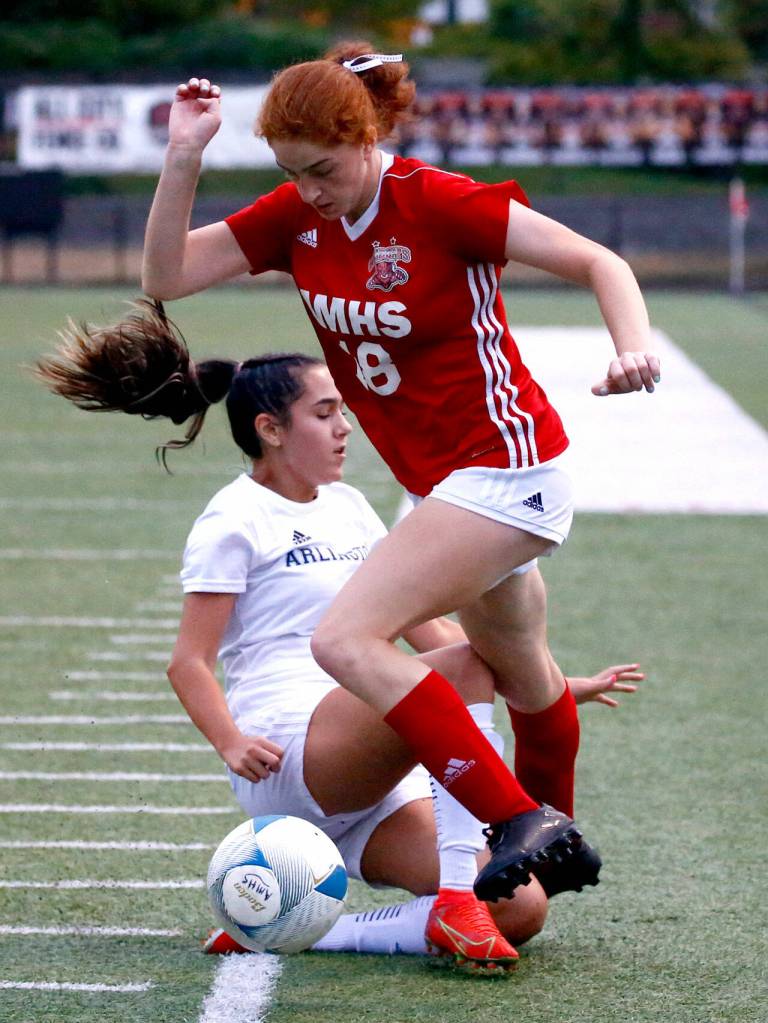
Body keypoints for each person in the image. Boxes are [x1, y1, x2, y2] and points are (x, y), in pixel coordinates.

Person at [141, 43, 660, 903]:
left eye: (323, 168)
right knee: (523, 667)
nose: (309, 188)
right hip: (444, 486)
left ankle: (516, 819)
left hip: (506, 466)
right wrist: (186, 155)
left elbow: (602, 261)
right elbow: (165, 275)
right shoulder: (296, 218)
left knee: (342, 640)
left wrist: (632, 349)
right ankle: (551, 841)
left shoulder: (439, 201)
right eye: (290, 171)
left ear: (368, 133)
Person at [36, 304, 643, 970]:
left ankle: (308, 930)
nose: (344, 427)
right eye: (324, 413)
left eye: (342, 410)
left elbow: (421, 629)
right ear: (270, 429)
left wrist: (541, 687)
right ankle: (453, 897)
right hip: (293, 750)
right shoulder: (234, 517)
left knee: (523, 906)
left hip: (374, 774)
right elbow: (189, 661)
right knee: (465, 665)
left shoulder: (350, 506)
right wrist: (230, 740)